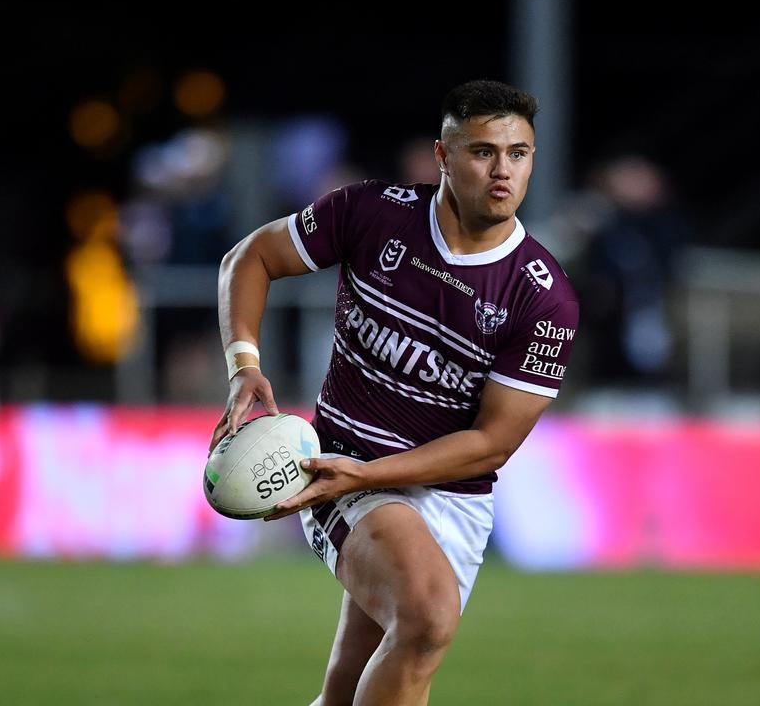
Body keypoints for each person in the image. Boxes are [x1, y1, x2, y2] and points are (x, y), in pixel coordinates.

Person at [210, 80, 579, 705]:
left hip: (450, 498)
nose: (503, 171)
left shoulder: (544, 298)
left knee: (349, 689)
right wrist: (244, 364)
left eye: (519, 154)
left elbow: (490, 444)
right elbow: (251, 257)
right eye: (483, 152)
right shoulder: (372, 213)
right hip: (338, 467)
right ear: (442, 156)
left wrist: (368, 475)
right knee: (427, 619)